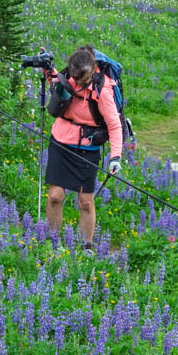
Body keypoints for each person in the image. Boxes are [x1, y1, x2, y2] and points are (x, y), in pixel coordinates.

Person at [42, 45, 123, 253]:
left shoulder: (102, 90)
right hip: (61, 141)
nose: (78, 83)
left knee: (86, 201)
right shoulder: (70, 76)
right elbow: (56, 83)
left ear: (92, 71)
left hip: (88, 148)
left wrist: (115, 157)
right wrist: (46, 69)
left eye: (82, 80)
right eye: (75, 79)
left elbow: (114, 126)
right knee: (55, 196)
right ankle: (53, 243)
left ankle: (86, 247)